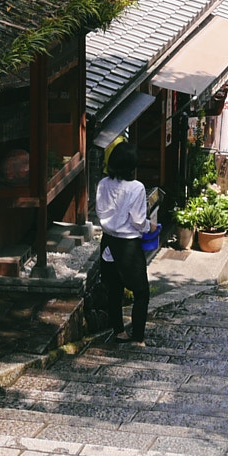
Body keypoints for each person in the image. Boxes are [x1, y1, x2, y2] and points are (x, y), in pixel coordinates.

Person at [93, 140, 153, 345]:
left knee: (114, 290)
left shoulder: (103, 184)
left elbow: (100, 212)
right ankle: (138, 336)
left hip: (108, 241)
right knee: (141, 291)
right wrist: (149, 227)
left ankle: (119, 331)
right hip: (128, 245)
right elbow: (137, 220)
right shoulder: (136, 188)